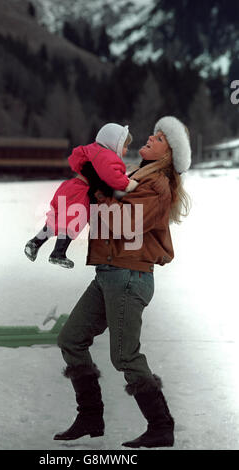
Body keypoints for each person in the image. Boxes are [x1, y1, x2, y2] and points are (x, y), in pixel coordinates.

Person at [53, 116, 192, 448]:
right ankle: (90, 416)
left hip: (130, 277)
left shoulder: (157, 183)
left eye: (159, 138)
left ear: (168, 155)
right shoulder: (134, 177)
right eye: (153, 133)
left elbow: (124, 223)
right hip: (109, 273)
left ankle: (161, 426)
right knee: (71, 339)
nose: (149, 137)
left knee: (124, 356)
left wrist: (97, 188)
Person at [24, 123, 138, 268]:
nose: (126, 150)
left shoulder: (92, 151)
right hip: (80, 191)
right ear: (114, 143)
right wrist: (127, 184)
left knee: (56, 218)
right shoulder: (106, 156)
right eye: (125, 146)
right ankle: (58, 253)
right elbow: (112, 176)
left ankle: (34, 243)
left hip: (69, 186)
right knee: (72, 221)